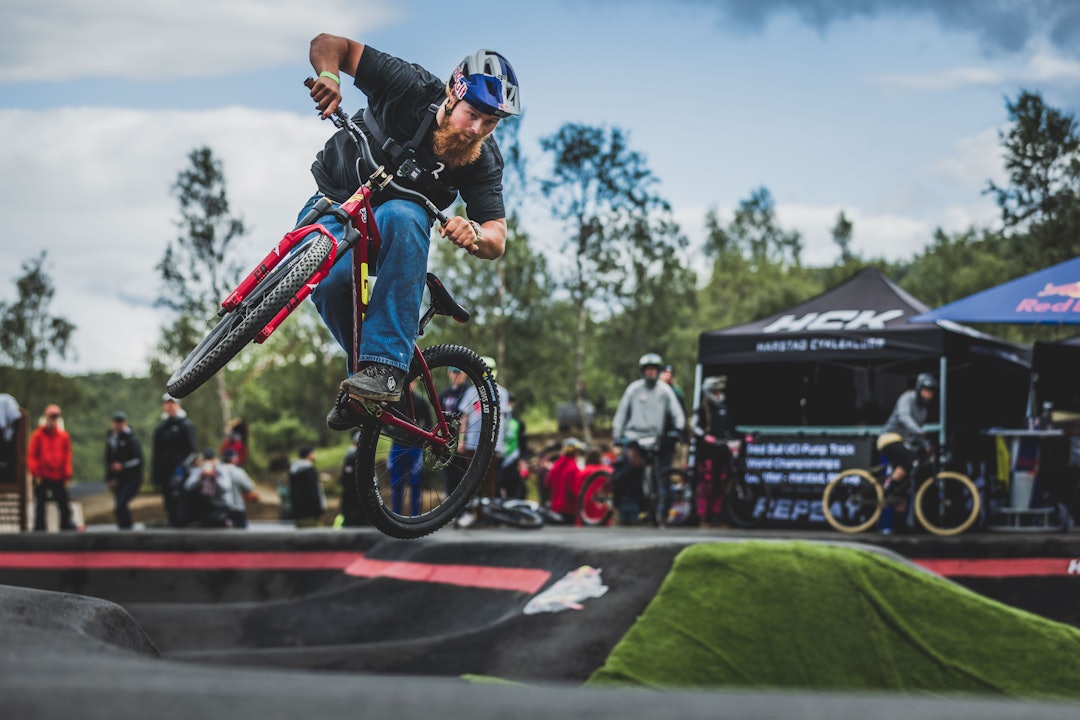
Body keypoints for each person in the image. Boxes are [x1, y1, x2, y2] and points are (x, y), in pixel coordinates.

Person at [300, 35, 521, 430]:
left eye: (490, 123)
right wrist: (330, 76)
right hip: (337, 197)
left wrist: (474, 233)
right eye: (473, 114)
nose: (477, 129)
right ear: (453, 95)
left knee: (406, 213)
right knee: (328, 281)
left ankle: (383, 371)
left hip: (394, 225)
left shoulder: (482, 160)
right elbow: (330, 44)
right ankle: (363, 384)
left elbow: (496, 238)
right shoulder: (408, 85)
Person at [610, 353, 686, 523]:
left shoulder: (665, 391)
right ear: (643, 371)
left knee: (658, 473)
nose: (651, 373)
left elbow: (678, 414)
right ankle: (624, 506)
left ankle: (655, 510)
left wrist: (678, 430)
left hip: (655, 438)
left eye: (654, 369)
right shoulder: (634, 389)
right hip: (634, 437)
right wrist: (617, 435)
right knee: (632, 469)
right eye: (648, 370)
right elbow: (621, 414)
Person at [878, 373, 938, 493]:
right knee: (910, 459)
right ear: (919, 388)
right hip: (889, 438)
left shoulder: (923, 411)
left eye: (931, 392)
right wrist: (920, 431)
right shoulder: (907, 398)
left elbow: (917, 435)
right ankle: (888, 486)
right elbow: (903, 417)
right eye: (926, 391)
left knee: (905, 485)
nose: (928, 395)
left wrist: (926, 446)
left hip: (905, 442)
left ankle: (896, 493)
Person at [691, 377, 737, 527]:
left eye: (719, 391)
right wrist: (705, 437)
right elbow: (694, 428)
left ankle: (715, 516)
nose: (718, 394)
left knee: (720, 485)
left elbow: (731, 429)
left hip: (722, 454)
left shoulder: (723, 409)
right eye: (715, 391)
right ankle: (702, 517)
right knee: (706, 485)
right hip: (707, 454)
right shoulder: (702, 409)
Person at [388, 378, 434, 516]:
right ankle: (395, 515)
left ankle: (415, 516)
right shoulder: (394, 401)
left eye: (413, 381)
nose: (410, 384)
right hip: (397, 446)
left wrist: (421, 439)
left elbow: (429, 424)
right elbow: (384, 419)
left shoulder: (421, 401)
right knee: (396, 483)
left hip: (415, 448)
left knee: (415, 483)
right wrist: (391, 433)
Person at [152, 393, 198, 527]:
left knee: (180, 499)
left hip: (180, 472)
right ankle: (173, 527)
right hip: (165, 472)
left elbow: (192, 450)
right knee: (168, 500)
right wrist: (156, 475)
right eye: (167, 403)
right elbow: (156, 454)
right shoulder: (160, 429)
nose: (170, 406)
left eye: (172, 403)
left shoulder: (186, 425)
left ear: (178, 405)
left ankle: (183, 527)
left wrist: (182, 467)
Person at [28, 404, 76, 531]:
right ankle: (39, 529)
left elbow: (67, 456)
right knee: (40, 504)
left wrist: (67, 474)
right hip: (42, 476)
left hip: (58, 475)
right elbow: (32, 455)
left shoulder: (63, 436)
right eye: (51, 416)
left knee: (63, 503)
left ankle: (66, 528)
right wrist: (36, 473)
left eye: (55, 417)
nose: (53, 419)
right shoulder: (38, 435)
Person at [104, 410, 144, 530]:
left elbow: (138, 460)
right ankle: (124, 529)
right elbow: (108, 460)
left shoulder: (131, 439)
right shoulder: (111, 439)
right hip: (119, 479)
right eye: (116, 422)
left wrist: (123, 466)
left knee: (121, 504)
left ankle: (127, 530)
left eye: (121, 422)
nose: (118, 424)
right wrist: (109, 478)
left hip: (132, 477)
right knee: (119, 506)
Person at [544, 438, 585, 523]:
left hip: (554, 508)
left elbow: (547, 484)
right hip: (569, 509)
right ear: (576, 452)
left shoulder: (556, 465)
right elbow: (574, 490)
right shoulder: (573, 468)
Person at [499, 392, 528, 499]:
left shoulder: (518, 420)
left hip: (513, 458)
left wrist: (523, 459)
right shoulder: (499, 417)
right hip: (500, 457)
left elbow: (523, 441)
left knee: (515, 487)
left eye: (510, 402)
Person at [218, 448, 256, 528]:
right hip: (237, 508)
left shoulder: (217, 470)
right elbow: (249, 487)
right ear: (233, 459)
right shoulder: (239, 471)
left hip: (219, 508)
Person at [335, 431, 366, 527]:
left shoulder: (356, 455)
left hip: (355, 497)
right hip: (354, 497)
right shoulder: (352, 455)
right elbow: (346, 478)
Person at [289, 446, 325, 528]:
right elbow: (314, 492)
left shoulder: (293, 471)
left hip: (297, 513)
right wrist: (319, 511)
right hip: (310, 514)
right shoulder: (310, 471)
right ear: (308, 455)